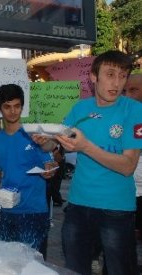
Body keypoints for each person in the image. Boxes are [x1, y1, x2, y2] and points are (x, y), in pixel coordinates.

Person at [34, 50, 142, 275]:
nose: (117, 82)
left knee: (119, 270)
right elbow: (57, 144)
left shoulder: (134, 110)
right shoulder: (80, 108)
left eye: (122, 76)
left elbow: (128, 165)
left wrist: (86, 147)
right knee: (75, 269)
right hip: (78, 205)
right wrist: (44, 140)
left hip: (117, 209)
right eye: (110, 74)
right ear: (93, 77)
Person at [0, 84, 56, 256]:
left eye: (17, 106)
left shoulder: (35, 136)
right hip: (5, 213)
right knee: (7, 264)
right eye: (7, 107)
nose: (12, 111)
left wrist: (50, 171)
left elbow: (51, 163)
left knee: (33, 265)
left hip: (34, 211)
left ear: (22, 107)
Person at [124, 74, 142, 247]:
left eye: (133, 90)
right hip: (126, 191)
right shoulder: (120, 118)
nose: (128, 95)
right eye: (125, 91)